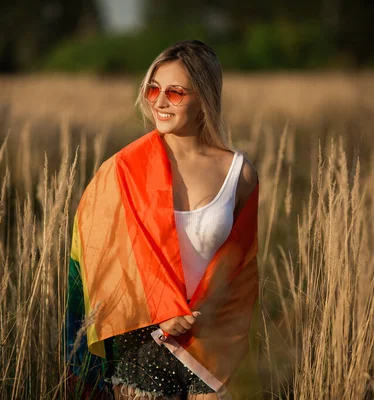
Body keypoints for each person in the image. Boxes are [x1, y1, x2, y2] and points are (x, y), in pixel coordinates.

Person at [66, 40, 260, 400]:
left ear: (203, 96)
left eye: (175, 92)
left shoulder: (239, 173)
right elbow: (101, 259)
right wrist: (160, 309)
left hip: (209, 346)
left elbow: (242, 268)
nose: (158, 101)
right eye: (153, 89)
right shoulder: (123, 170)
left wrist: (207, 316)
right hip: (141, 344)